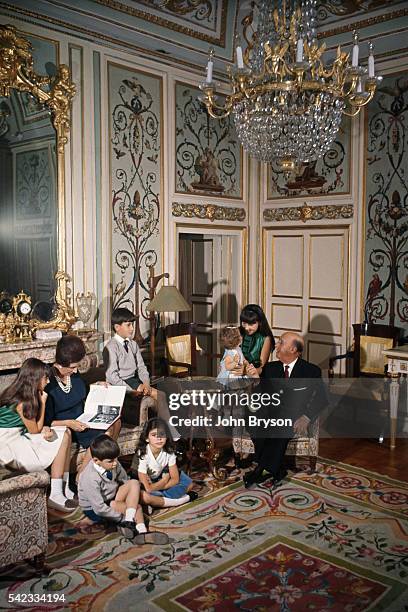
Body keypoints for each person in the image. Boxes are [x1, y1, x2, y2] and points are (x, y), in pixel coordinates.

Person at [243, 331, 327, 488]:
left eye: (281, 342)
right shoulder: (270, 368)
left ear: (293, 349)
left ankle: (261, 469)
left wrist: (307, 417)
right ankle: (277, 470)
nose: (276, 345)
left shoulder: (311, 371)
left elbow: (322, 399)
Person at [0, 358, 76, 512]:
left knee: (66, 432)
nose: (48, 382)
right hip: (9, 444)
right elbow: (35, 429)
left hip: (19, 435)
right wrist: (43, 403)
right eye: (45, 378)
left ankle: (64, 486)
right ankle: (55, 494)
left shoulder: (21, 394)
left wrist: (45, 428)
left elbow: (33, 428)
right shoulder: (22, 402)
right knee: (64, 437)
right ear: (35, 379)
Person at [45, 335, 121, 474]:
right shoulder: (48, 382)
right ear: (61, 363)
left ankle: (97, 471)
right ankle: (83, 476)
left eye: (77, 366)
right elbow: (46, 422)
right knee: (105, 434)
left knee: (116, 421)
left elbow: (79, 390)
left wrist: (96, 386)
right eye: (73, 367)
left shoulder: (72, 374)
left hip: (83, 420)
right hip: (67, 426)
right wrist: (69, 423)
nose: (75, 370)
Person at [103, 307, 179, 440]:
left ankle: (167, 430)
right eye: (128, 325)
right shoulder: (110, 347)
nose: (132, 328)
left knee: (163, 394)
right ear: (117, 327)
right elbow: (112, 376)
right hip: (121, 385)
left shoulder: (133, 345)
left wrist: (146, 384)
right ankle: (169, 432)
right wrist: (132, 389)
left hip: (136, 381)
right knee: (159, 396)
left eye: (132, 324)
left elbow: (142, 367)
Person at [78, 435, 168, 543]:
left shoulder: (113, 463)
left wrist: (131, 498)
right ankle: (139, 530)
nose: (115, 463)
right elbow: (99, 508)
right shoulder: (90, 477)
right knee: (137, 508)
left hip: (112, 495)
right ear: (96, 461)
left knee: (134, 484)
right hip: (97, 508)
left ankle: (130, 522)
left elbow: (125, 480)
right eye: (110, 461)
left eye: (116, 459)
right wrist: (121, 517)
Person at [135, 418, 198, 509]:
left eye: (162, 434)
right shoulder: (143, 452)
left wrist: (161, 485)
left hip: (161, 482)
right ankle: (181, 500)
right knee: (144, 495)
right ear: (147, 438)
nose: (159, 438)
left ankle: (158, 501)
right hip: (152, 483)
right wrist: (163, 481)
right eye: (154, 435)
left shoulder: (169, 452)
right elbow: (147, 488)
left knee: (189, 484)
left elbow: (175, 479)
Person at [239, 304, 275, 376]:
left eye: (251, 324)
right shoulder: (238, 332)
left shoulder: (265, 338)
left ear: (260, 322)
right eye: (244, 323)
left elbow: (261, 366)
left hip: (255, 375)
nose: (246, 328)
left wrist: (246, 372)